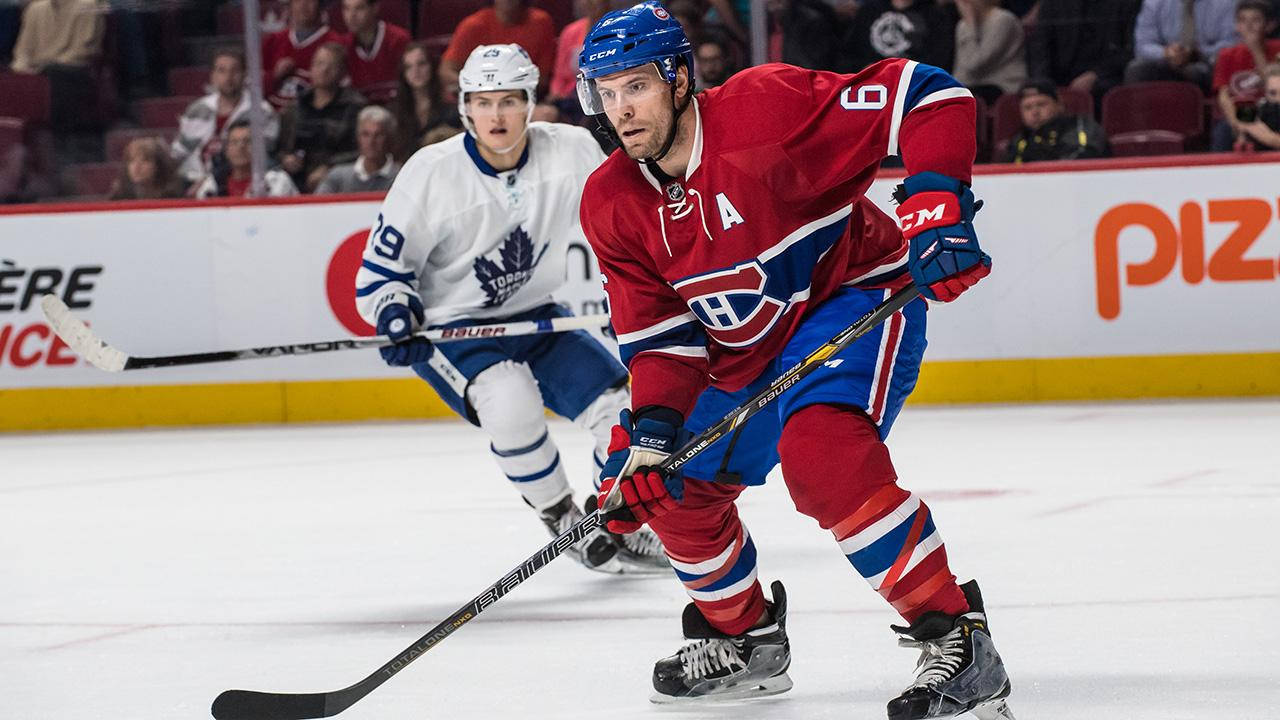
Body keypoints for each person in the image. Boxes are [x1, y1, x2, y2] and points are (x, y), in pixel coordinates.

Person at [574, 3, 1014, 717]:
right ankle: (746, 640)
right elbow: (663, 342)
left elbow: (928, 92)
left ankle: (960, 640)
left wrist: (939, 203)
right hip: (739, 353)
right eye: (608, 92)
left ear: (680, 78)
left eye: (638, 85)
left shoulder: (765, 111)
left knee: (822, 457)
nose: (622, 109)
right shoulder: (610, 201)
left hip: (848, 299)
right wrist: (651, 444)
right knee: (669, 482)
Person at [354, 44, 669, 575]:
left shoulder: (570, 150)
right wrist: (394, 313)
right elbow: (382, 273)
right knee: (510, 399)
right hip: (453, 328)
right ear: (464, 107)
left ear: (530, 103)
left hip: (534, 314)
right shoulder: (432, 172)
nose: (495, 115)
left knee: (623, 409)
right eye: (482, 102)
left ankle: (611, 517)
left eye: (508, 100)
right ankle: (558, 513)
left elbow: (634, 212)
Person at [171, 48, 281, 186]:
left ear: (245, 75)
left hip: (238, 180)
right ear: (213, 76)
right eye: (221, 70)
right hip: (192, 181)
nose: (228, 77)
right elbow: (179, 152)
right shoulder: (197, 110)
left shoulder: (261, 111)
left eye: (235, 70)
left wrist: (211, 180)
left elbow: (262, 154)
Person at [277, 42, 368, 191]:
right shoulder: (294, 108)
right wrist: (286, 159)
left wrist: (330, 167)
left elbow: (363, 151)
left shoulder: (356, 107)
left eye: (332, 65)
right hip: (294, 180)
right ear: (311, 68)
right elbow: (279, 149)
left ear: (343, 72)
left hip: (340, 179)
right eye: (319, 63)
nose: (324, 70)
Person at [8, 0, 104, 131]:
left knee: (54, 72)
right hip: (40, 67)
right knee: (15, 74)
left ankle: (58, 135)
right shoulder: (35, 9)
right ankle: (22, 131)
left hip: (73, 67)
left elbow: (83, 50)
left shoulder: (88, 6)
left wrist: (46, 66)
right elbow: (23, 50)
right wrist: (21, 67)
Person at [1026, 0, 1140, 105]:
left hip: (1107, 76)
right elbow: (1040, 48)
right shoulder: (1053, 3)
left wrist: (1095, 74)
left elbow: (1131, 50)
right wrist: (1045, 86)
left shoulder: (1126, 3)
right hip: (1061, 79)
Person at [438, 0, 557, 98]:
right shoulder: (473, 25)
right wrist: (479, 87)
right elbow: (447, 71)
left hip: (523, 98)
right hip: (477, 97)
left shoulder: (541, 22)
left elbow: (542, 79)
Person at [1211, 1, 1280, 150]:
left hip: (1272, 107)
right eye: (1243, 20)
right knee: (1223, 131)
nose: (1248, 26)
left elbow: (1272, 83)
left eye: (1255, 20)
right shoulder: (1226, 54)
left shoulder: (1277, 48)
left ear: (1269, 25)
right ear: (1236, 25)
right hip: (1245, 109)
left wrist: (1256, 50)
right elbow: (1223, 96)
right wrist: (1235, 122)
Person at [1125, 0, 1239, 90]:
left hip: (1206, 63)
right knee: (1137, 69)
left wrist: (1196, 53)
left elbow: (1232, 43)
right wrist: (1166, 52)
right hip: (1166, 61)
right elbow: (1142, 45)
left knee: (1198, 72)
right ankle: (1140, 118)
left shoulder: (1227, 3)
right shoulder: (1154, 3)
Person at [261, 0, 346, 109]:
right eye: (297, 1)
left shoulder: (335, 42)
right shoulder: (273, 41)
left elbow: (341, 91)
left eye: (310, 1)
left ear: (320, 5)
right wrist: (275, 75)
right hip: (271, 119)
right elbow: (253, 91)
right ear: (290, 5)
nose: (303, 5)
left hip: (315, 118)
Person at [1001, 80, 1107, 162]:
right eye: (1027, 107)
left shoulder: (1081, 126)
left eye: (1041, 104)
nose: (1035, 112)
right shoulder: (1021, 139)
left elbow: (1084, 157)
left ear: (1059, 105)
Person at [391, 42, 462, 160]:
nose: (416, 71)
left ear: (432, 66)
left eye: (421, 64)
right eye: (408, 67)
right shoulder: (396, 111)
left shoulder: (452, 109)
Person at [194, 119, 300, 198]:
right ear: (226, 151)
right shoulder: (211, 186)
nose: (241, 147)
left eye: (247, 141)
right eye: (234, 142)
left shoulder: (277, 181)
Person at [844, 0, 957, 74]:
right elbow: (849, 52)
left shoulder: (935, 14)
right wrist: (865, 68)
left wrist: (904, 72)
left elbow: (940, 57)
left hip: (915, 84)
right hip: (870, 81)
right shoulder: (869, 11)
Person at [953, 0, 1027, 103]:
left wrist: (970, 25)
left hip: (1002, 85)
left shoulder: (1003, 19)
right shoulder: (963, 25)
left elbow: (975, 64)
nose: (961, 4)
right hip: (976, 85)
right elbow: (961, 70)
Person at [315, 105, 401, 193]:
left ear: (389, 138)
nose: (371, 141)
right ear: (358, 137)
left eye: (378, 135)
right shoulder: (337, 177)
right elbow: (317, 204)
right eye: (365, 134)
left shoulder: (401, 177)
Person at [341, 0, 412, 104]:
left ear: (374, 8)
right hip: (360, 112)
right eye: (346, 9)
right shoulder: (343, 45)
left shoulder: (399, 39)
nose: (351, 16)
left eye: (359, 8)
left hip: (398, 108)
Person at [108, 137, 185, 200]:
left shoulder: (173, 195)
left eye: (145, 160)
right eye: (132, 160)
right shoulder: (121, 193)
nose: (137, 167)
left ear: (158, 165)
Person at [1234, 62, 1280, 148]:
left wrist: (1270, 138)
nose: (1278, 98)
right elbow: (1240, 143)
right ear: (1265, 93)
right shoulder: (1257, 110)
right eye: (1273, 93)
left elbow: (1271, 139)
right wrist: (1242, 134)